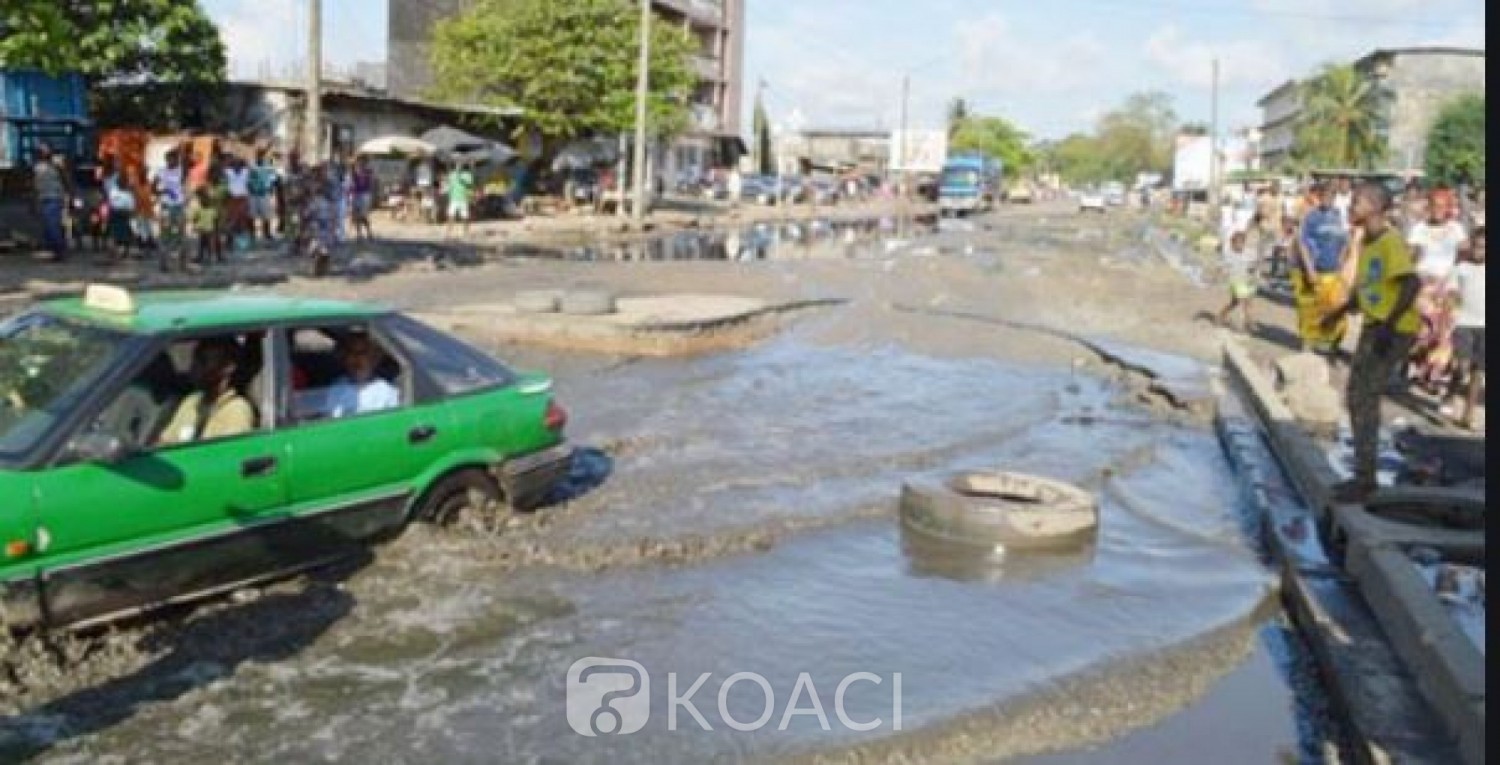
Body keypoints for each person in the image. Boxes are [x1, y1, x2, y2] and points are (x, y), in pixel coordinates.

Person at [1320, 182, 1421, 502]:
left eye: (1357, 202)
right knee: (1358, 395)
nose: (1351, 206)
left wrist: (1389, 324)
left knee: (1364, 395)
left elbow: (1411, 284)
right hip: (1376, 324)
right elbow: (1366, 290)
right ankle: (1364, 473)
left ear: (1376, 207)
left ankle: (1365, 479)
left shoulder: (1390, 241)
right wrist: (1338, 313)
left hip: (1393, 328)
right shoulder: (1367, 241)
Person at [1405, 188, 1468, 394]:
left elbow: (1464, 253)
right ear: (1428, 206)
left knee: (1444, 335)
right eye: (1433, 205)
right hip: (1423, 287)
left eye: (1442, 206)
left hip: (1448, 287)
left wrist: (1454, 277)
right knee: (1422, 332)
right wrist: (1419, 276)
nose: (1437, 210)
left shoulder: (1456, 229)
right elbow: (1410, 256)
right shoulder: (1419, 229)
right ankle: (1412, 366)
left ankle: (1431, 376)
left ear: (1448, 208)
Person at [158, 338, 256, 445]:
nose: (194, 368)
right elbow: (164, 442)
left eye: (204, 361)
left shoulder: (236, 410)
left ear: (228, 367)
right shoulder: (192, 401)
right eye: (195, 360)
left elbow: (232, 452)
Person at [1294, 183, 1350, 354]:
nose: (1328, 199)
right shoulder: (1312, 217)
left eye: (1332, 196)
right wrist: (1309, 269)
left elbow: (1345, 241)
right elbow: (1302, 243)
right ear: (1320, 196)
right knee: (1310, 310)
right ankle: (1307, 346)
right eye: (1325, 196)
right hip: (1315, 270)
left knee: (1336, 309)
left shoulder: (1338, 216)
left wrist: (1342, 263)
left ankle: (1332, 344)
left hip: (1334, 271)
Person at [1447, 228, 1484, 430]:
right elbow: (1452, 292)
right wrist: (1451, 306)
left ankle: (1468, 415)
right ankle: (1450, 392)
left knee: (1478, 371)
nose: (1480, 251)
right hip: (1463, 322)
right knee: (1462, 366)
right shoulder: (1461, 268)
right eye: (1477, 246)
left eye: (1484, 248)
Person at [324, 332, 401, 418]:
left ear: (374, 358)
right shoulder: (337, 387)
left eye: (362, 353)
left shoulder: (387, 391)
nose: (356, 359)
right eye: (351, 353)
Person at [152, 148, 189, 271]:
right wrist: (164, 191)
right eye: (171, 159)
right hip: (166, 206)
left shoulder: (181, 170)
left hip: (179, 206)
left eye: (176, 159)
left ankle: (182, 264)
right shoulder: (161, 172)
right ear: (167, 159)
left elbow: (187, 163)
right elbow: (153, 188)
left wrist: (183, 150)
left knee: (181, 235)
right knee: (164, 234)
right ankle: (163, 263)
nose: (174, 161)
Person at [1215, 230, 1259, 332]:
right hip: (1235, 282)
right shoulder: (1228, 255)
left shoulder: (1248, 253)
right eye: (1237, 243)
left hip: (1247, 281)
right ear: (1232, 243)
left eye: (1241, 243)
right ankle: (1249, 322)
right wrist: (1218, 274)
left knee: (1239, 302)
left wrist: (1254, 270)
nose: (1239, 245)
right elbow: (1221, 267)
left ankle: (1221, 316)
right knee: (1243, 300)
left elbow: (1253, 265)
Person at [32, 143, 70, 260]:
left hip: (55, 197)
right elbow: (35, 183)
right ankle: (55, 249)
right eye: (41, 150)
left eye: (45, 150)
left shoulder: (56, 163)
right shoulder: (37, 166)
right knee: (49, 226)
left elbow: (66, 178)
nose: (43, 153)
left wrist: (69, 194)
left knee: (52, 225)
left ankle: (59, 250)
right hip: (43, 198)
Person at [101, 157, 137, 261]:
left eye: (119, 162)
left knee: (125, 230)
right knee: (113, 231)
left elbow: (132, 190)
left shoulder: (125, 176)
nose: (117, 165)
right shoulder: (108, 178)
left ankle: (124, 250)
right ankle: (113, 252)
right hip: (114, 208)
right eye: (115, 163)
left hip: (124, 208)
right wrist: (105, 207)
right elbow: (105, 194)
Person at [248, 151, 278, 243]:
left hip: (264, 193)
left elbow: (273, 179)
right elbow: (249, 180)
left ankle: (267, 233)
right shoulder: (252, 166)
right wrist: (251, 188)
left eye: (262, 156)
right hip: (254, 194)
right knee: (252, 215)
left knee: (266, 215)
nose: (260, 158)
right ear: (256, 156)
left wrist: (271, 190)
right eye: (259, 156)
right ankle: (252, 234)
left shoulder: (268, 167)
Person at [189, 184, 222, 265]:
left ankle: (210, 257)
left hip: (206, 230)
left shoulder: (209, 208)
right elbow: (194, 218)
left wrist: (216, 228)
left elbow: (215, 219)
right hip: (204, 230)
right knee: (203, 244)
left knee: (207, 244)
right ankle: (204, 257)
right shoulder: (207, 208)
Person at [224, 155, 252, 245]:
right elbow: (223, 170)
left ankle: (242, 241)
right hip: (232, 198)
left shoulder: (245, 171)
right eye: (235, 163)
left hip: (243, 198)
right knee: (232, 219)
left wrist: (245, 161)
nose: (237, 165)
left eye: (239, 163)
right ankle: (229, 239)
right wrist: (228, 162)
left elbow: (250, 167)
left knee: (242, 219)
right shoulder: (228, 172)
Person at [444, 162, 475, 239]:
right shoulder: (452, 174)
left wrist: (461, 179)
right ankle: (448, 233)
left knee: (465, 216)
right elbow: (449, 185)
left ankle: (466, 232)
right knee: (451, 215)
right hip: (454, 198)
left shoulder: (467, 175)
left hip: (463, 198)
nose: (459, 166)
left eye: (460, 165)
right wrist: (448, 193)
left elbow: (469, 184)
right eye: (457, 165)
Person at [350, 155, 376, 242]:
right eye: (359, 161)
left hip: (364, 194)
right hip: (355, 194)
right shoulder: (354, 170)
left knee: (363, 215)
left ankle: (369, 232)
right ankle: (359, 234)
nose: (360, 162)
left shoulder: (368, 171)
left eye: (362, 161)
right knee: (356, 215)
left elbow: (370, 183)